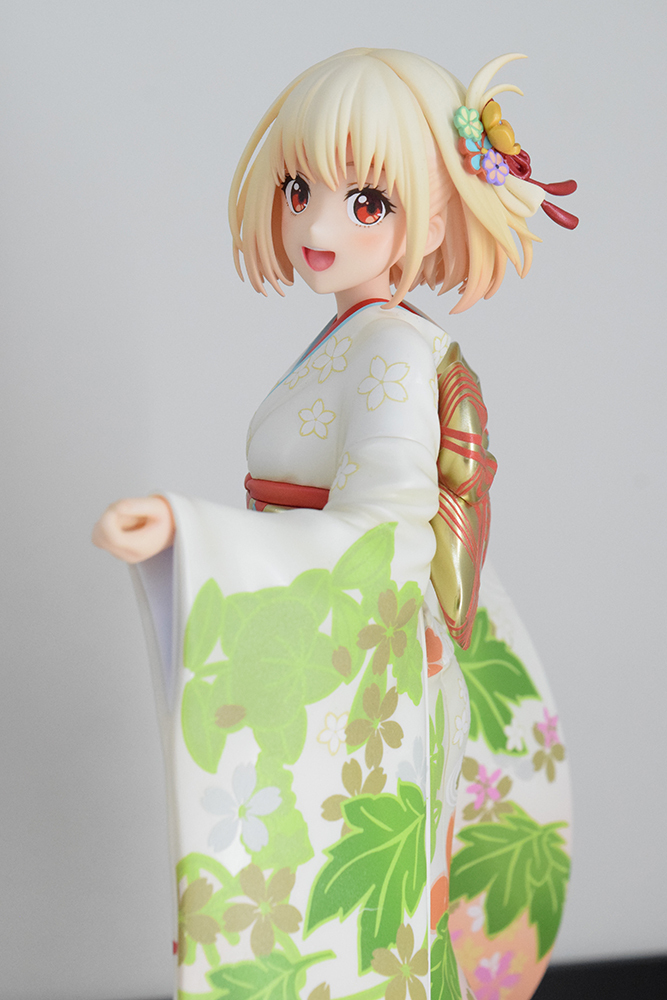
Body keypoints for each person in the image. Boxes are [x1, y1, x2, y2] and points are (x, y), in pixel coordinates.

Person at [93, 49, 574, 1000]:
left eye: (366, 202)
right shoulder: (361, 340)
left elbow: (383, 534)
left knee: (364, 945)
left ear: (431, 216)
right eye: (299, 188)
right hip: (353, 652)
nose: (317, 225)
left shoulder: (392, 349)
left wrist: (192, 533)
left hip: (371, 666)